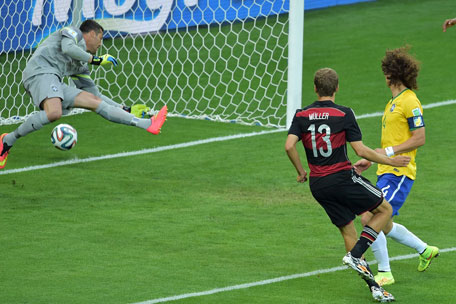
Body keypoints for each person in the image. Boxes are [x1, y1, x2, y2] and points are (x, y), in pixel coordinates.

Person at [286, 67, 410, 302]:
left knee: (347, 230)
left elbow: (289, 146)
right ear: (337, 88)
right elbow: (360, 150)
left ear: (315, 88)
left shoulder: (301, 115)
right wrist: (390, 160)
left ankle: (374, 287)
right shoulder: (343, 114)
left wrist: (301, 171)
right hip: (342, 178)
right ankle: (356, 254)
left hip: (318, 185)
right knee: (385, 209)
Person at [0, 19, 167, 169]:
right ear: (92, 33)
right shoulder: (73, 32)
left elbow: (96, 94)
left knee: (94, 101)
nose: (101, 44)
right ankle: (7, 141)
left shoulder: (81, 65)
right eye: (100, 38)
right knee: (55, 112)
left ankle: (146, 124)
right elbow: (68, 48)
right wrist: (96, 60)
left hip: (54, 81)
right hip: (39, 72)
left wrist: (125, 108)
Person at [354, 47, 439, 286]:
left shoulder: (410, 101)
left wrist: (389, 154)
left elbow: (419, 137)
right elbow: (391, 142)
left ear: (391, 74)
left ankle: (385, 272)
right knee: (385, 222)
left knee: (371, 216)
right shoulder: (393, 102)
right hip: (386, 170)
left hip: (400, 172)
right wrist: (372, 159)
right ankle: (424, 250)